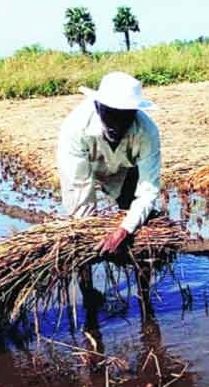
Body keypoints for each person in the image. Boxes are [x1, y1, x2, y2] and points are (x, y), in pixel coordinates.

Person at [58, 71, 160, 254]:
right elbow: (79, 186)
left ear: (135, 112)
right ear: (97, 106)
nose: (117, 125)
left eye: (125, 116)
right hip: (88, 164)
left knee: (135, 218)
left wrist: (124, 230)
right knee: (81, 227)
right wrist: (87, 232)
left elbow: (148, 189)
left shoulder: (147, 132)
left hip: (126, 167)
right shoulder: (76, 129)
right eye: (111, 114)